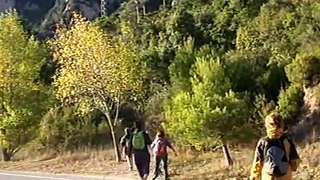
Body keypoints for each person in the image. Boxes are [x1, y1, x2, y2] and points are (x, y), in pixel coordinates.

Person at [249, 112, 301, 180]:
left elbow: (257, 162)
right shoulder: (287, 141)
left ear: (267, 126)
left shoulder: (263, 142)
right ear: (282, 126)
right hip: (285, 176)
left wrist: (254, 175)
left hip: (268, 177)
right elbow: (294, 162)